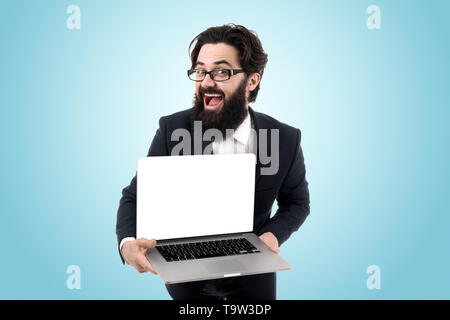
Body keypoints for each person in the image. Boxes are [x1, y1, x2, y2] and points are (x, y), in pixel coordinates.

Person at [116, 24, 310, 300]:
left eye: (221, 71)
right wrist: (126, 245)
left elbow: (297, 203)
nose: (206, 81)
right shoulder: (173, 129)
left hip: (254, 273)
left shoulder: (284, 139)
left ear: (252, 81)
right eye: (200, 70)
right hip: (185, 274)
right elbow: (134, 196)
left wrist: (271, 236)